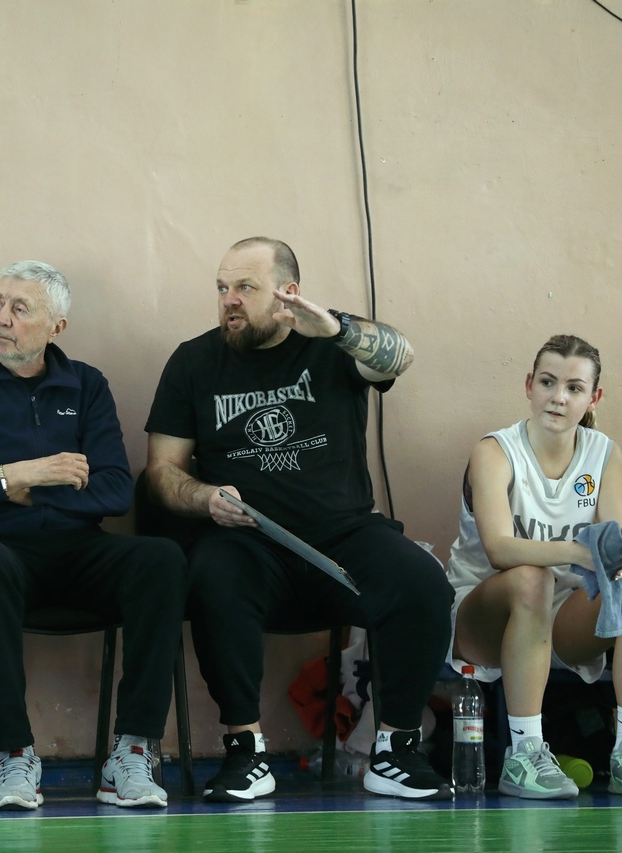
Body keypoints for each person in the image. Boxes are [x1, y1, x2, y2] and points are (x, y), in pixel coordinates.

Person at [145, 237, 454, 801]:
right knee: (213, 577)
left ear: (287, 293)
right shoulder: (193, 361)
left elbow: (400, 356)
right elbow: (161, 470)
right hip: (248, 540)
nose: (229, 300)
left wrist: (336, 329)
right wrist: (203, 497)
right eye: (222, 287)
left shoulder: (334, 346)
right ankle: (245, 752)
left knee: (423, 584)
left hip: (344, 535)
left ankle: (395, 750)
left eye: (245, 287)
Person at [0, 261, 187, 810]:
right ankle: (15, 756)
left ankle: (131, 752)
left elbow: (113, 491)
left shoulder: (86, 384)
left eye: (20, 308)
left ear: (56, 327)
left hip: (76, 550)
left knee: (161, 558)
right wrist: (23, 472)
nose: (0, 318)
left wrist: (10, 486)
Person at [447, 335, 622, 799]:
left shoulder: (603, 453)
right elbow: (499, 550)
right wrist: (576, 551)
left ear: (594, 398)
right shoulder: (495, 451)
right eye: (548, 383)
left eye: (574, 388)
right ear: (529, 385)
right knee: (531, 578)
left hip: (565, 617)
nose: (558, 397)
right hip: (487, 616)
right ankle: (524, 754)